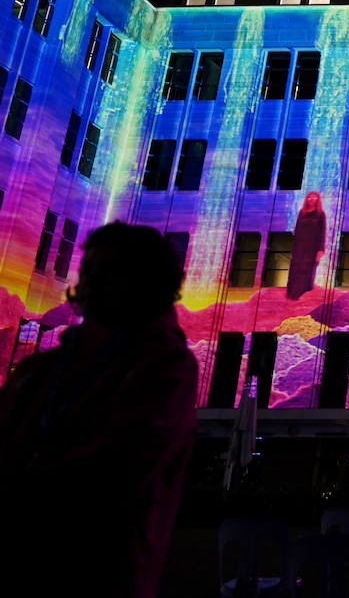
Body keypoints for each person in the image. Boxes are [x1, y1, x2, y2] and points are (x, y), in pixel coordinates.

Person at [0, 222, 199, 598]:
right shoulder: (43, 368)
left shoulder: (164, 368)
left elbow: (117, 468)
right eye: (88, 271)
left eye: (107, 273)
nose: (89, 284)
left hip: (100, 569)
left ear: (145, 283)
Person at [286, 189, 326, 299]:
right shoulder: (302, 213)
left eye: (314, 197)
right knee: (295, 270)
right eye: (309, 197)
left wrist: (320, 250)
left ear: (318, 200)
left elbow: (322, 232)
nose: (311, 199)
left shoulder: (320, 214)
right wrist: (293, 250)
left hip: (312, 248)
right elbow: (297, 231)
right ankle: (292, 296)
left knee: (308, 270)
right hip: (299, 247)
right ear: (306, 199)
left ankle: (304, 295)